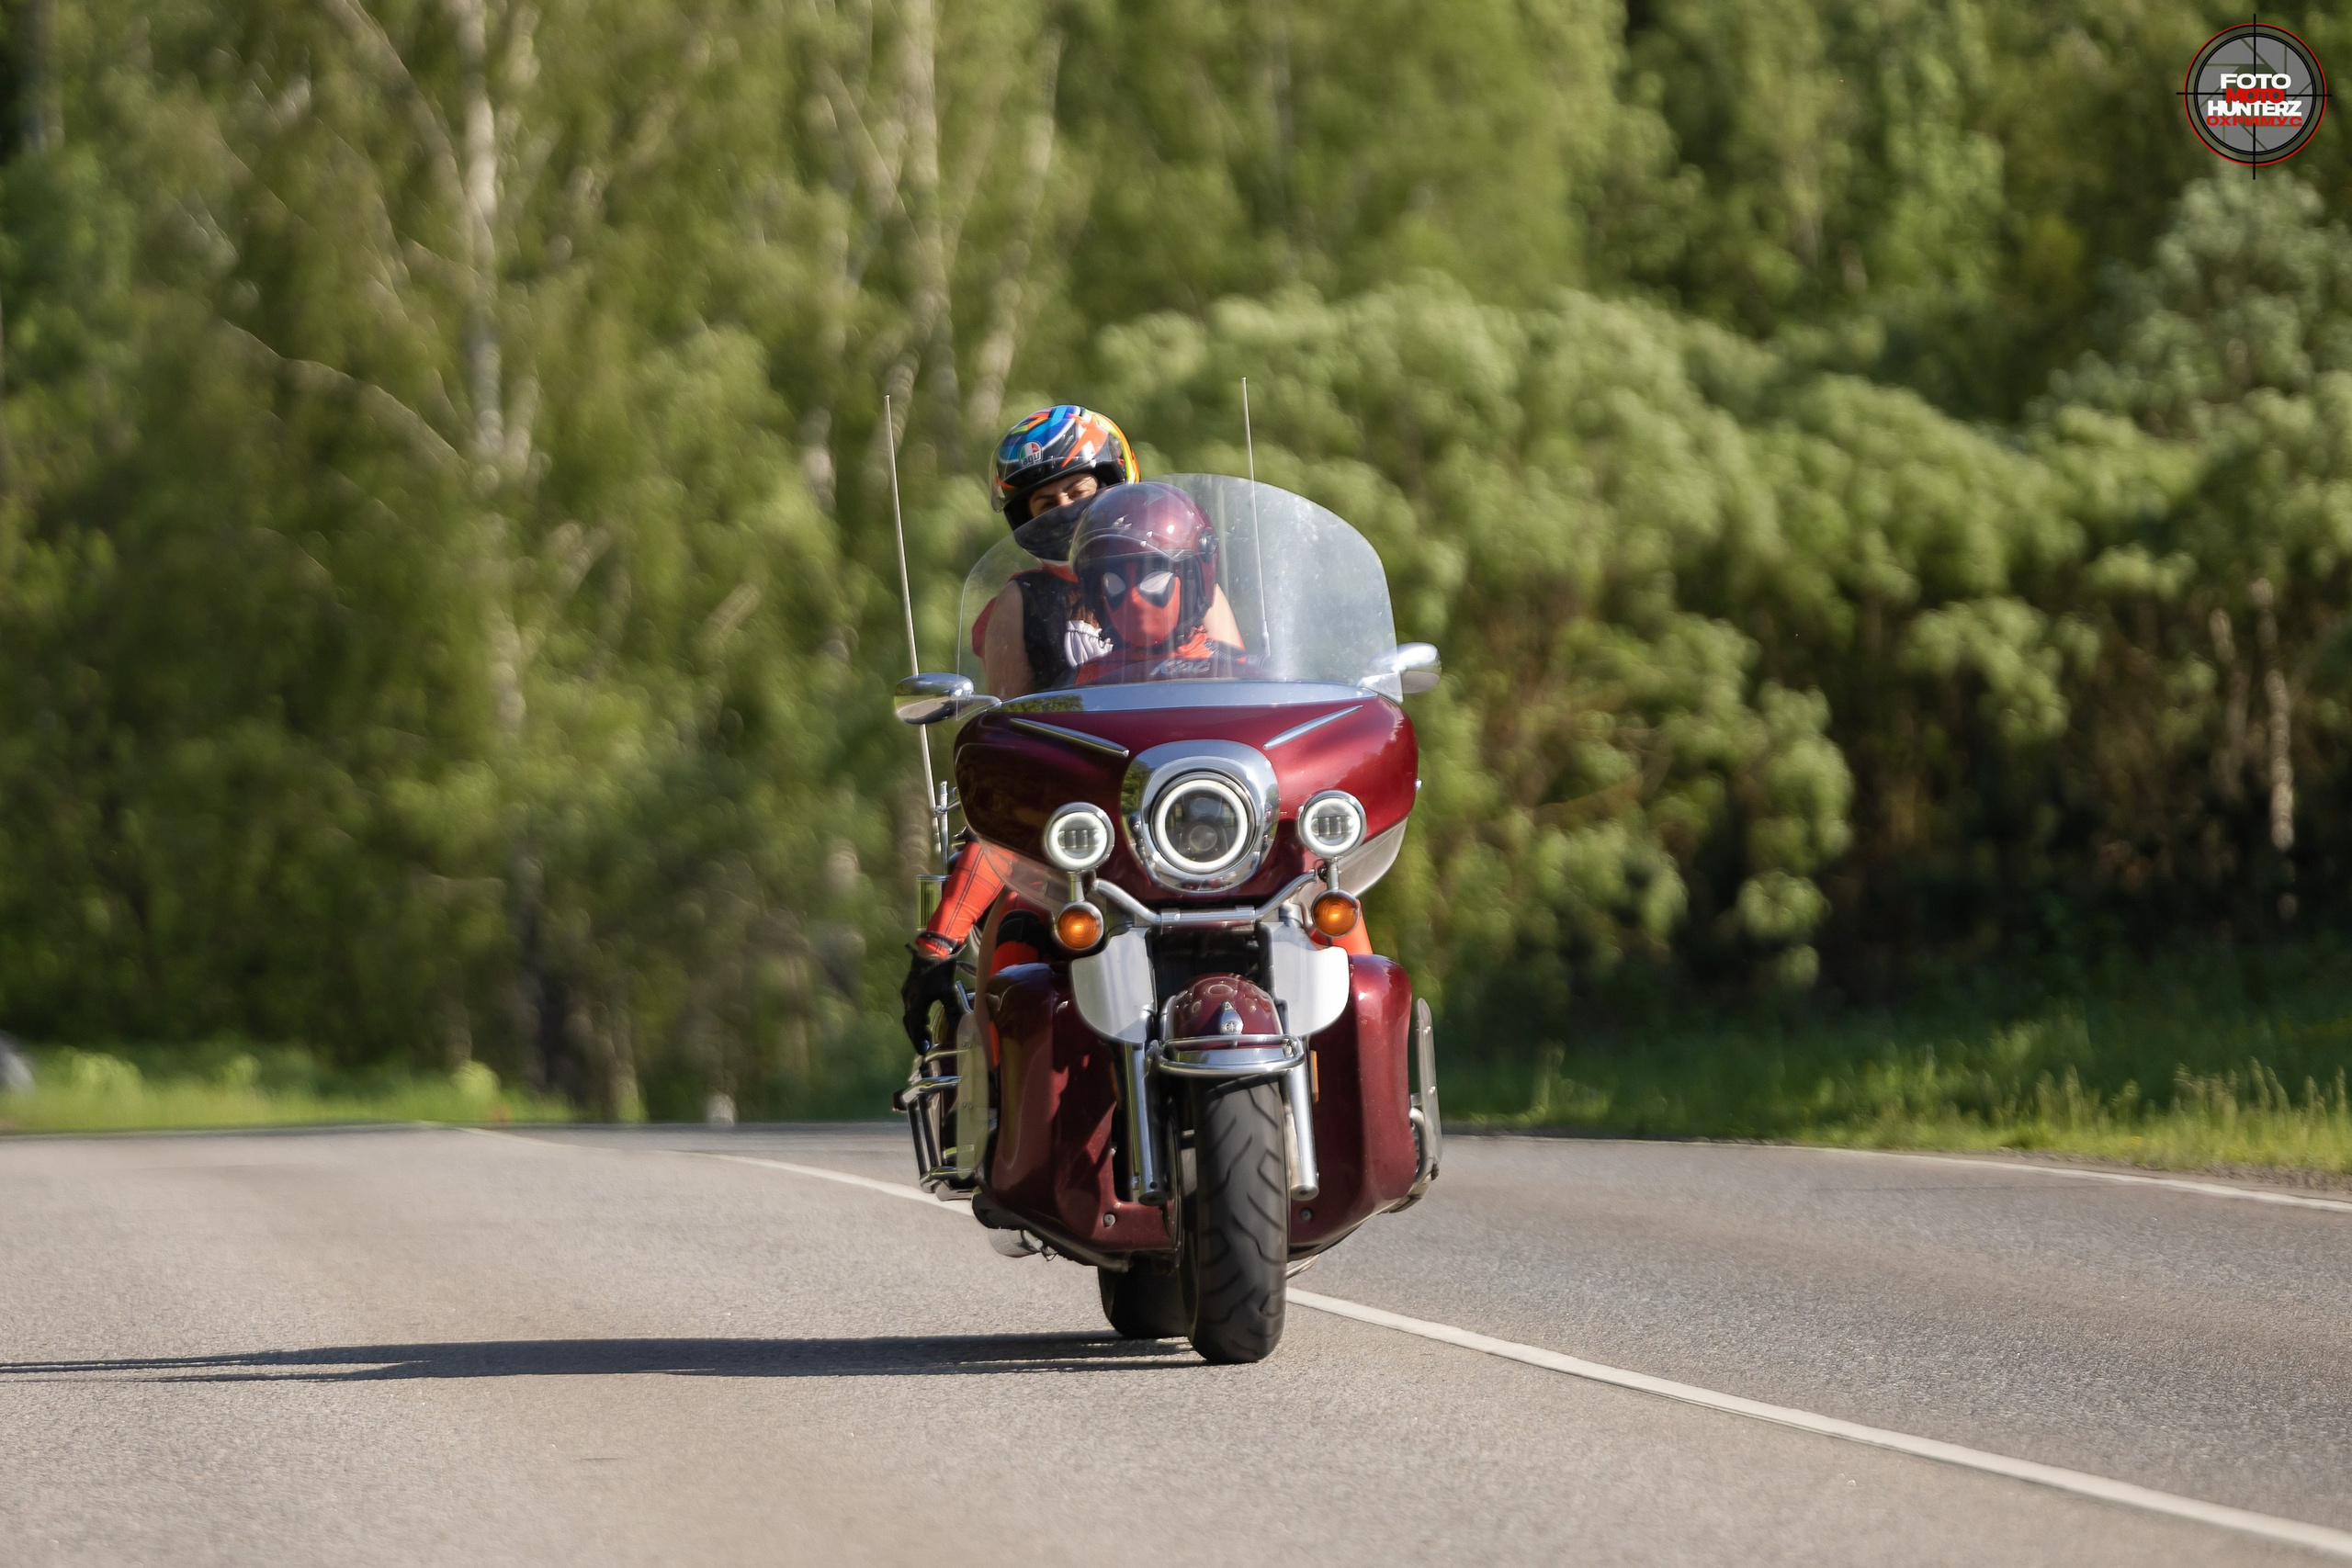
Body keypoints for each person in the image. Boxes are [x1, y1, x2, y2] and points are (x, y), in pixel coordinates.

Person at [902, 406, 1138, 1049]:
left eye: (1080, 490)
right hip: (1073, 827)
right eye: (1046, 499)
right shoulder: (1019, 603)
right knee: (1018, 954)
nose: (1065, 507)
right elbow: (1013, 749)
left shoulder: (1182, 575)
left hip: (1180, 817)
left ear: (1117, 484)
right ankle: (1016, 1121)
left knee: (1318, 911)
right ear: (1024, 518)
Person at [1069, 481, 1247, 685]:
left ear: (1193, 582)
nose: (1133, 599)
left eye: (1154, 578)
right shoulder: (1085, 682)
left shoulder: (1236, 670)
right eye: (1114, 583)